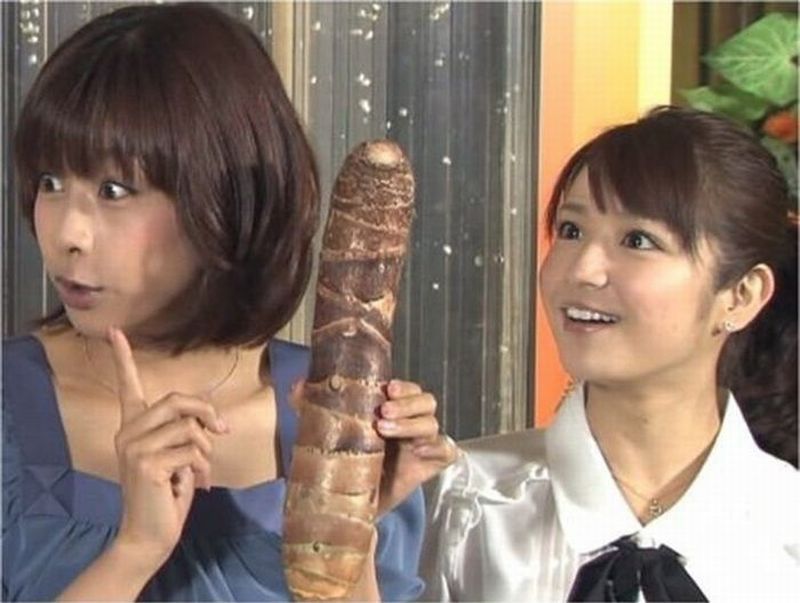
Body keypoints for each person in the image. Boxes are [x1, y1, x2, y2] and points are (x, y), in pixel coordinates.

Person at [2, 3, 454, 601]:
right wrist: (135, 551)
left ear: (226, 197)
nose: (67, 234)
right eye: (51, 183)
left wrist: (351, 534)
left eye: (113, 191)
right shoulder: (11, 409)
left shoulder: (334, 411)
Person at [420, 106, 799, 601]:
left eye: (638, 240)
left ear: (741, 295)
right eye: (571, 231)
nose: (582, 270)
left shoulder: (787, 530)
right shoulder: (458, 502)